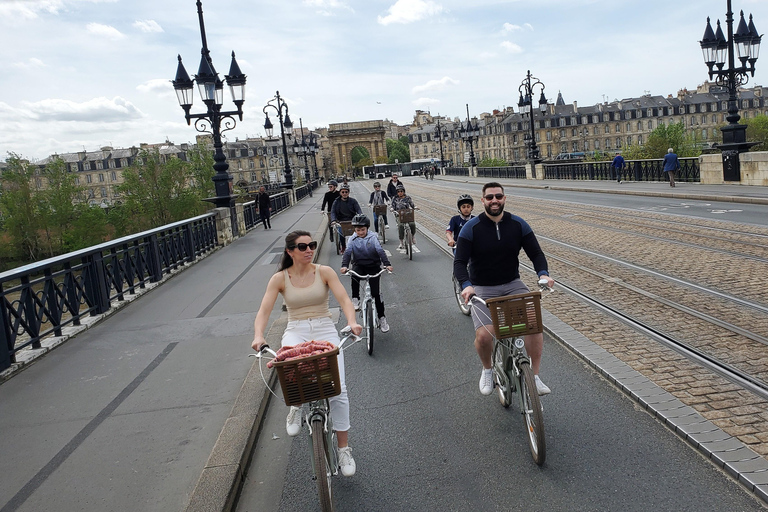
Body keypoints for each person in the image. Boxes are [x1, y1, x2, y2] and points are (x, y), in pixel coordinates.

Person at [252, 231, 362, 477]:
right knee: (291, 366)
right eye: (302, 247)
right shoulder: (280, 278)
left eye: (311, 245)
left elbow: (344, 299)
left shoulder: (324, 272)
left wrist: (352, 321)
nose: (309, 249)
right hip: (296, 330)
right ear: (290, 251)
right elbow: (263, 311)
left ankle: (344, 448)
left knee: (338, 389)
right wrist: (258, 335)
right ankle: (296, 406)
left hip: (324, 328)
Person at [454, 182, 555, 397]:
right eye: (489, 197)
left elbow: (536, 253)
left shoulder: (518, 224)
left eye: (498, 196)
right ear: (482, 201)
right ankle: (488, 369)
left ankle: (534, 377)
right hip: (481, 288)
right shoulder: (471, 228)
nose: (494, 201)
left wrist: (543, 274)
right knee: (484, 336)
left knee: (534, 326)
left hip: (512, 285)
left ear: (504, 198)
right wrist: (466, 286)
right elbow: (459, 263)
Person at [340, 214, 393, 333]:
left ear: (367, 228)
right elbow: (347, 253)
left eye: (362, 230)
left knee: (376, 294)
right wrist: (344, 266)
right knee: (354, 275)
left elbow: (380, 251)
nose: (360, 232)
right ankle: (355, 299)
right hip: (359, 265)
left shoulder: (373, 237)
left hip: (373, 266)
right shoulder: (352, 239)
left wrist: (387, 264)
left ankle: (382, 318)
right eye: (357, 230)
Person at [330, 183, 362, 253]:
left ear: (348, 193)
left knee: (356, 234)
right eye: (343, 192)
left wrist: (360, 216)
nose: (344, 193)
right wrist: (333, 220)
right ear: (340, 193)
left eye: (346, 192)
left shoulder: (353, 201)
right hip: (341, 221)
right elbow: (333, 212)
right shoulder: (336, 202)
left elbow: (358, 210)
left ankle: (356, 246)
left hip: (352, 220)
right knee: (341, 234)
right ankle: (343, 246)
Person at [390, 184, 417, 251]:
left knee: (412, 224)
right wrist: (392, 209)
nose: (400, 193)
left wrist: (415, 207)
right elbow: (392, 206)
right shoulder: (395, 198)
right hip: (399, 215)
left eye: (401, 191)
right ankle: (401, 241)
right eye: (398, 191)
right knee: (400, 226)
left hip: (407, 214)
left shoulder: (407, 198)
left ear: (404, 191)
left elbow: (412, 204)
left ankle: (413, 236)